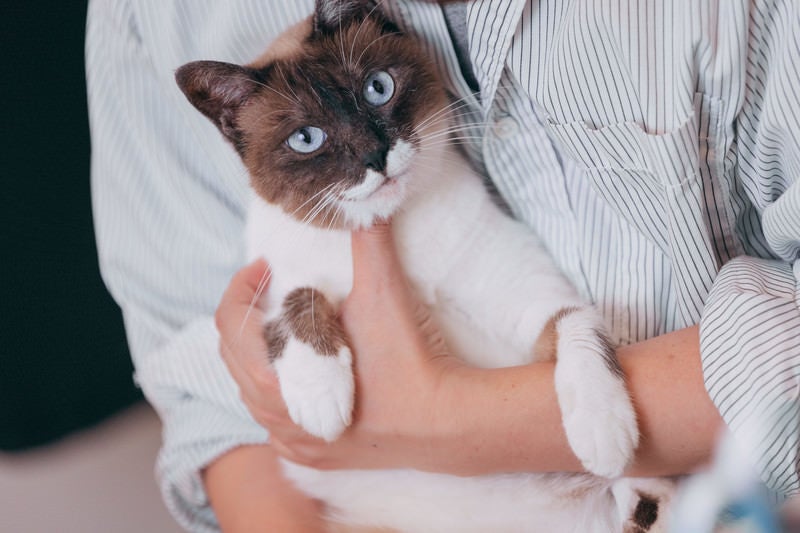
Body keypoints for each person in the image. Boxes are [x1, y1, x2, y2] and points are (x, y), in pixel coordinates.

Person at [87, 0, 800, 531]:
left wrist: (436, 415)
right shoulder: (147, 18)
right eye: (311, 139)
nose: (369, 153)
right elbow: (209, 401)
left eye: (376, 97)